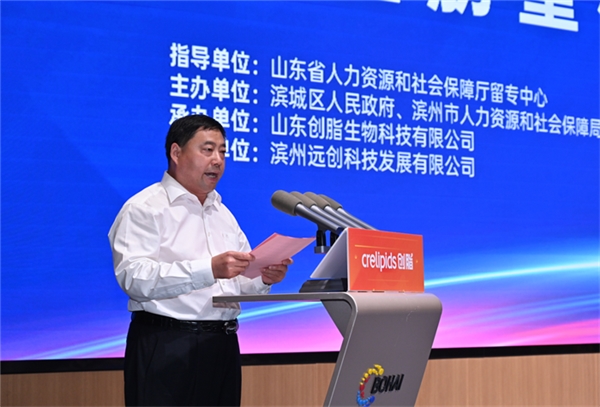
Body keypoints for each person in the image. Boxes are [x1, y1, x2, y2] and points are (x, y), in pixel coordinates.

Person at [108, 114, 291, 406]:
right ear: (176, 152)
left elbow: (237, 283)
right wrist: (209, 269)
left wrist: (263, 278)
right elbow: (134, 278)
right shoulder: (144, 208)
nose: (218, 160)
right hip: (167, 345)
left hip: (222, 344)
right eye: (208, 150)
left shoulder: (223, 213)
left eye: (222, 151)